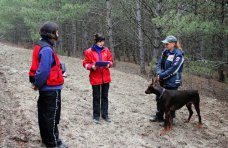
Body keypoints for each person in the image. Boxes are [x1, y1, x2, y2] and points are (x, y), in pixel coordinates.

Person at [29, 21, 67, 148]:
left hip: (48, 88)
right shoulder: (46, 49)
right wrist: (36, 84)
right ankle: (53, 143)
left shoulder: (41, 45)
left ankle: (47, 140)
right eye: (57, 32)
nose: (58, 34)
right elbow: (43, 71)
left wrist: (60, 70)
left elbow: (46, 67)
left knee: (45, 115)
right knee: (51, 117)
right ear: (51, 34)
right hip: (51, 89)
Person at [150, 35, 184, 125]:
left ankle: (169, 120)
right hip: (162, 80)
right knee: (159, 98)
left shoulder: (179, 54)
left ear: (173, 44)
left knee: (170, 101)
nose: (165, 45)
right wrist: (158, 73)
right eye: (165, 43)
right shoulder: (165, 51)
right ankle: (159, 116)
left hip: (172, 82)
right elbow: (159, 64)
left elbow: (173, 69)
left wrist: (161, 75)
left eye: (167, 43)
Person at [83, 33, 113, 124]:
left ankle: (105, 114)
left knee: (105, 96)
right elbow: (85, 63)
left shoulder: (106, 50)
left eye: (103, 41)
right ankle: (96, 116)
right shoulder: (89, 51)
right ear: (96, 41)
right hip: (95, 77)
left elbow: (111, 61)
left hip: (105, 77)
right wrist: (91, 67)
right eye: (100, 41)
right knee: (96, 97)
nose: (101, 43)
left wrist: (109, 64)